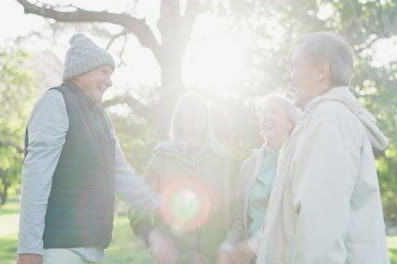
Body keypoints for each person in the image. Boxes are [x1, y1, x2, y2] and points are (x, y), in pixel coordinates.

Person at [16, 33, 175, 264]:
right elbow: (35, 179)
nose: (109, 81)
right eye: (104, 72)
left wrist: (163, 206)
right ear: (81, 72)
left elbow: (122, 176)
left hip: (95, 249)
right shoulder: (55, 103)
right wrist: (29, 248)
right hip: (59, 250)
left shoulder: (103, 118)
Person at [256, 32, 391, 263]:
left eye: (293, 66)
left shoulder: (330, 119)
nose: (288, 77)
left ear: (321, 71)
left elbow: (320, 226)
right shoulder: (317, 120)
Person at [129, 93, 236, 264]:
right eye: (188, 108)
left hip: (216, 258)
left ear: (207, 119)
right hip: (173, 258)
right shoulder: (162, 158)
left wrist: (228, 248)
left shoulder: (223, 161)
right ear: (178, 120)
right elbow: (139, 203)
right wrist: (153, 236)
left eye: (199, 108)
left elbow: (236, 213)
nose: (193, 112)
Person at [216, 95, 300, 264]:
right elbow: (239, 221)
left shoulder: (300, 160)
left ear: (290, 123)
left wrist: (254, 245)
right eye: (263, 113)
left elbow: (292, 217)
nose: (266, 117)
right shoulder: (248, 166)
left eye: (273, 111)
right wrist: (227, 248)